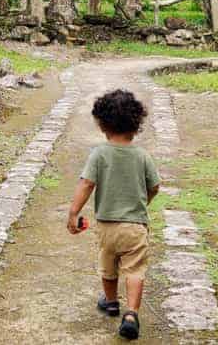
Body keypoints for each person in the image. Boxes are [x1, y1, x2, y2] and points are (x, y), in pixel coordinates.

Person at [66, 88, 161, 340]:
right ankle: (131, 314)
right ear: (136, 123)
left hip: (107, 226)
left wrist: (73, 213)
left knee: (108, 266)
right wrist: (142, 203)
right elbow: (154, 187)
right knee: (134, 270)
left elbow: (86, 184)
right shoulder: (142, 156)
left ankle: (110, 302)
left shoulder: (99, 154)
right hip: (135, 227)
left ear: (102, 125)